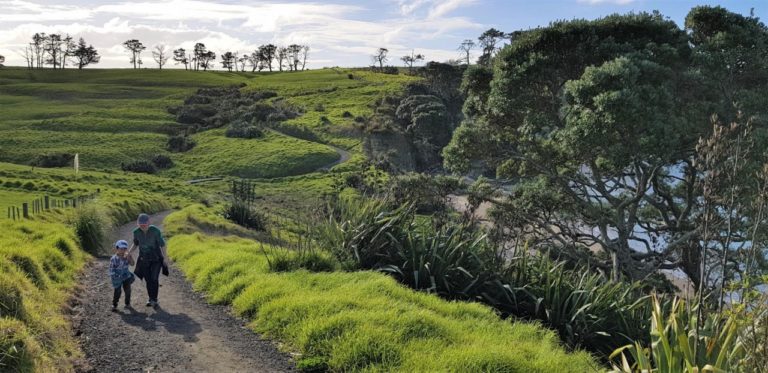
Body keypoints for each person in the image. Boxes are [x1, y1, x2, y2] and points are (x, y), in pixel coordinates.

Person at [128, 213, 169, 308]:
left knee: (154, 278)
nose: (143, 226)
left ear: (149, 222)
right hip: (144, 259)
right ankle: (151, 298)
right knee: (148, 280)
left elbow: (162, 244)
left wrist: (165, 258)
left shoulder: (155, 231)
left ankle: (154, 299)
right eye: (140, 224)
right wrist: (129, 252)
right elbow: (135, 244)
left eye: (144, 224)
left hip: (156, 258)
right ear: (138, 223)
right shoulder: (136, 232)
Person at [109, 240, 135, 311]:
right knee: (117, 291)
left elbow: (132, 264)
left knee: (128, 290)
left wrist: (130, 257)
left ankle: (127, 304)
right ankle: (114, 304)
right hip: (117, 277)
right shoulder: (114, 258)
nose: (123, 250)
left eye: (124, 249)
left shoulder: (126, 257)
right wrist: (114, 277)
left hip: (126, 276)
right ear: (117, 249)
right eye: (121, 249)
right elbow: (111, 269)